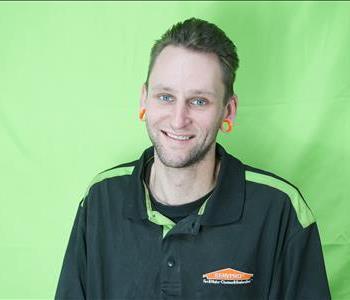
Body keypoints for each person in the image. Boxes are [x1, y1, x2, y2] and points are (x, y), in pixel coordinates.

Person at [55, 17, 331, 299]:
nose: (178, 120)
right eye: (165, 97)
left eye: (199, 101)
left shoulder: (281, 210)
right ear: (144, 99)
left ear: (228, 110)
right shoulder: (101, 199)